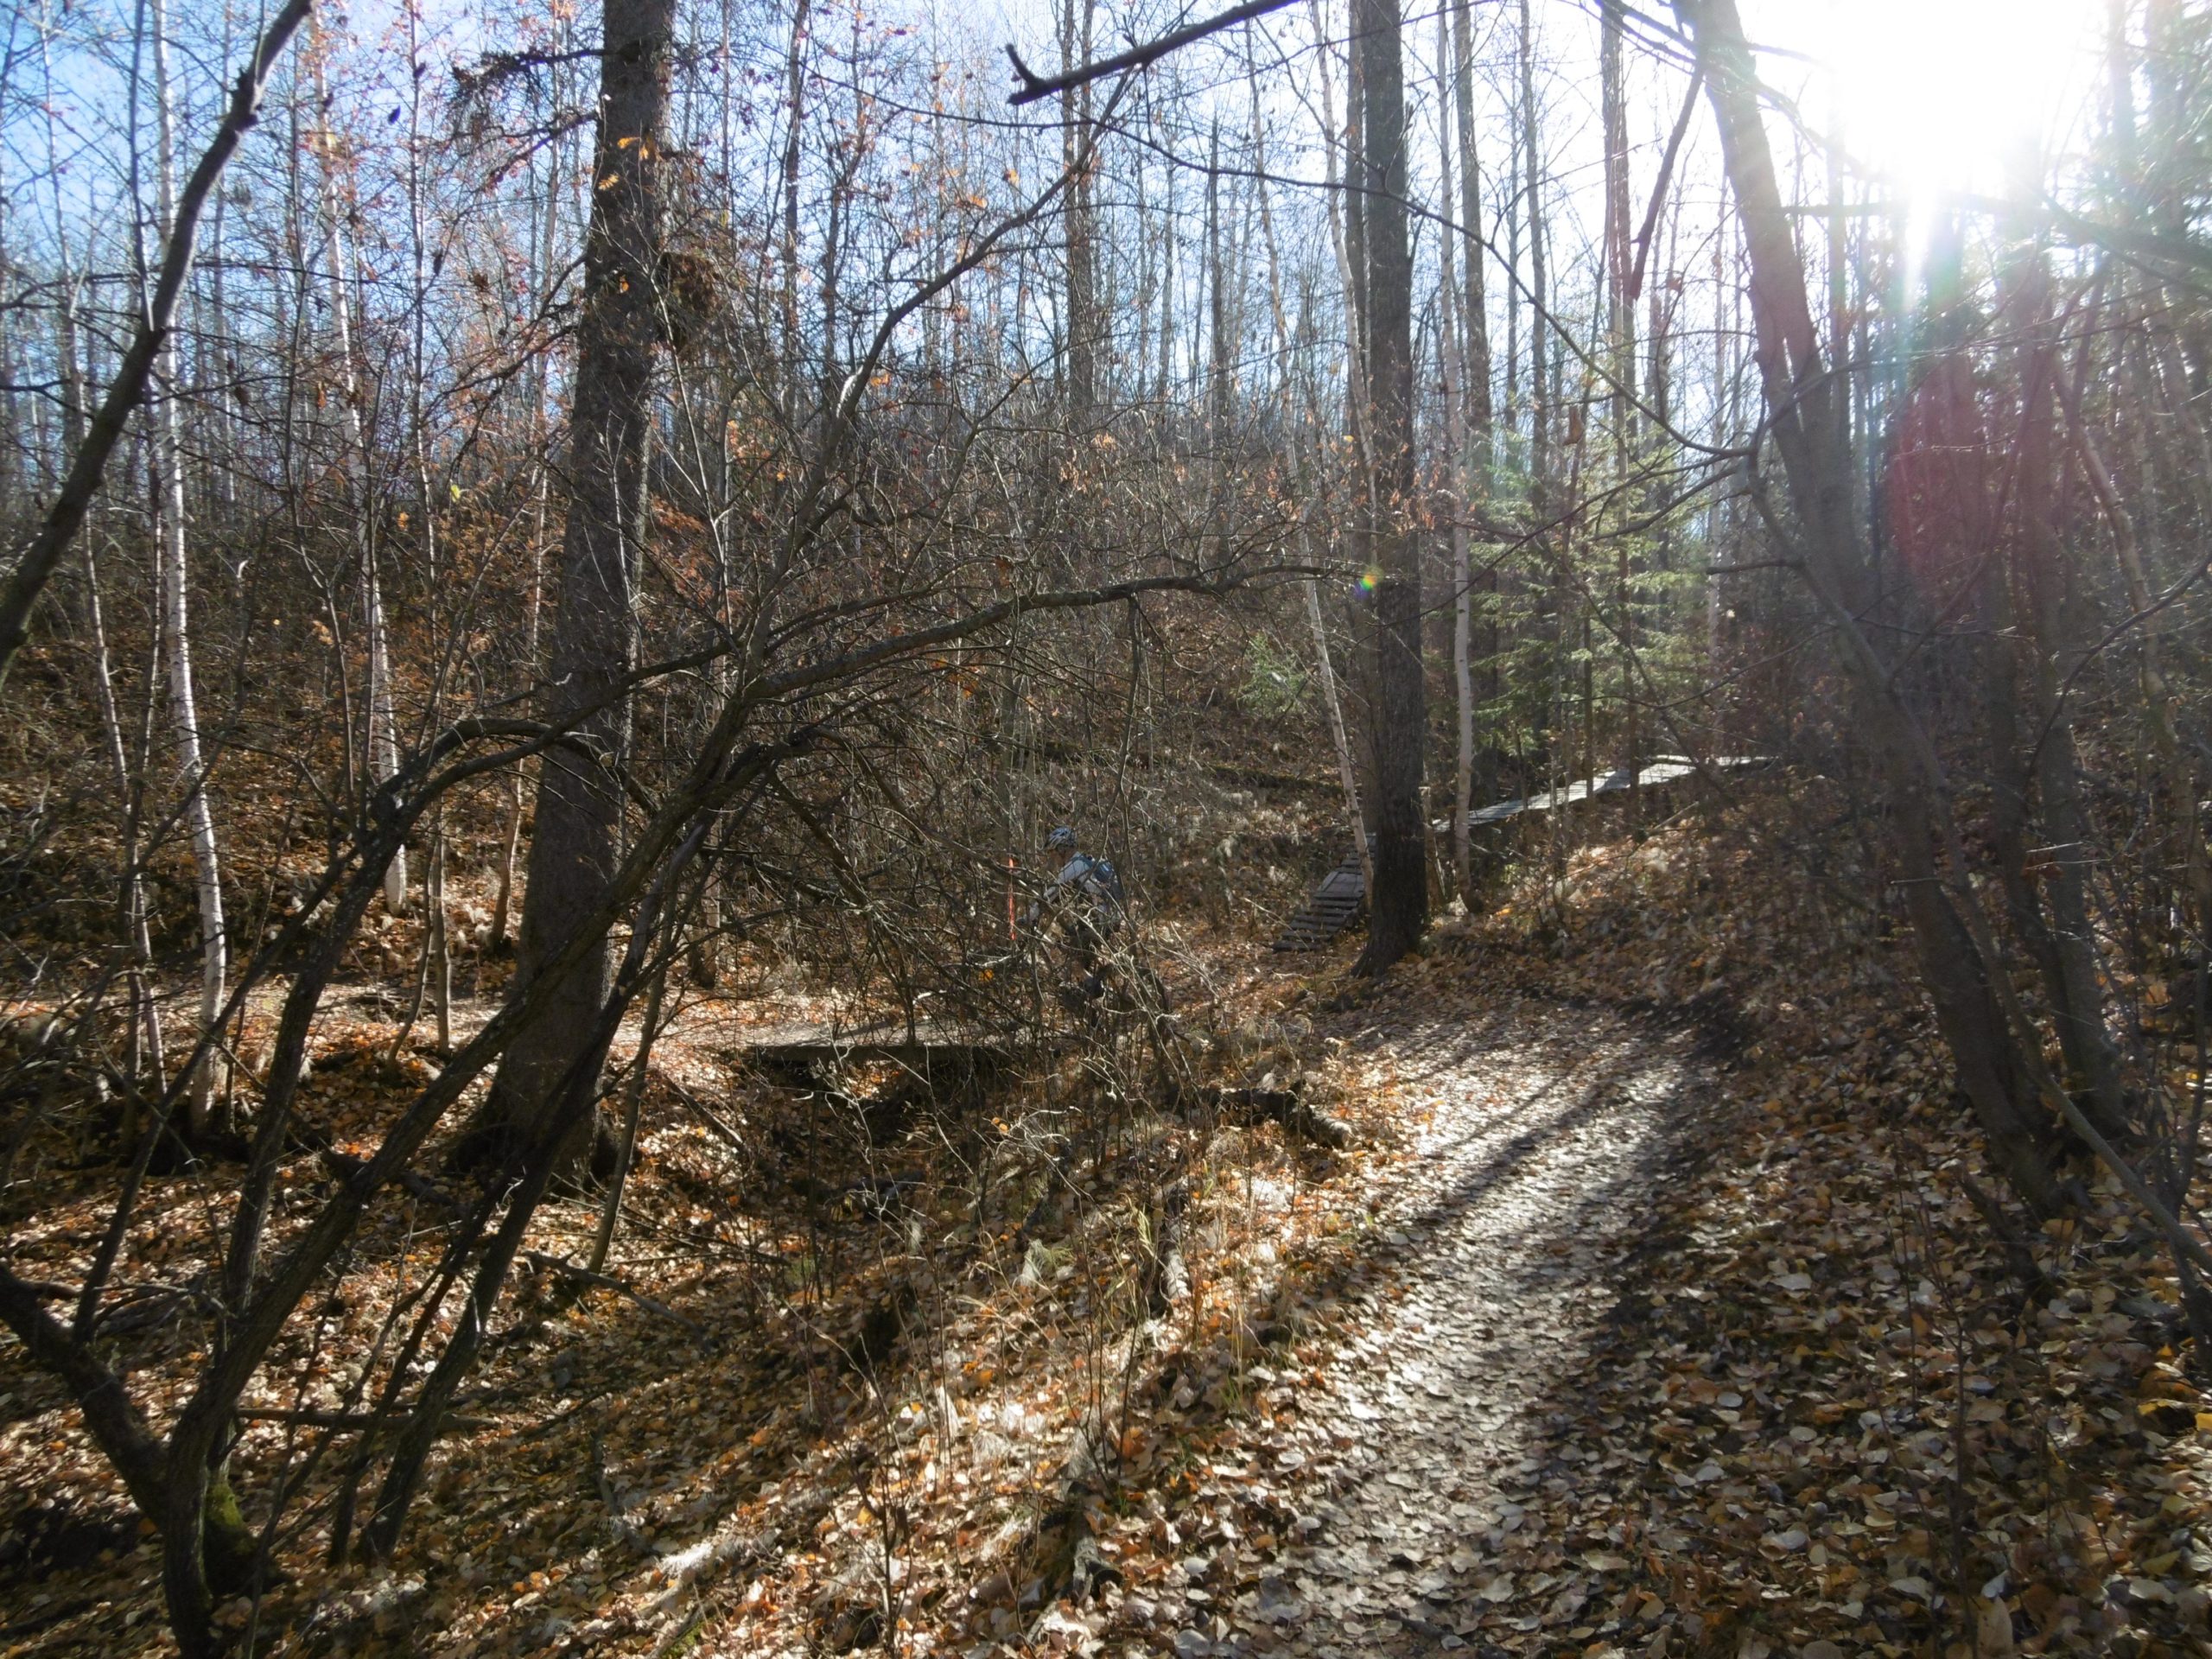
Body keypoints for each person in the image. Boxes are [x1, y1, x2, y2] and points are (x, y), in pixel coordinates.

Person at [1028, 826, 1126, 1001]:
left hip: (1099, 918)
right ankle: (1105, 967)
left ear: (1062, 849)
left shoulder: (1074, 866)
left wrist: (1031, 915)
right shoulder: (1094, 861)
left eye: (1053, 853)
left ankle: (1095, 990)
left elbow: (1051, 895)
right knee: (1078, 939)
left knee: (1071, 957)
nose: (1053, 859)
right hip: (1115, 916)